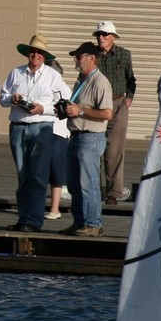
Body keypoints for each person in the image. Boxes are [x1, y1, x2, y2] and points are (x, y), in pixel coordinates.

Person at [0, 34, 70, 232]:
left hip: (42, 127)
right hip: (19, 127)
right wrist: (12, 99)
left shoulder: (53, 75)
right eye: (33, 51)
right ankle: (24, 218)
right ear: (27, 53)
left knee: (38, 175)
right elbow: (2, 98)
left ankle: (34, 221)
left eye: (39, 52)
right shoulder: (16, 73)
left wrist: (43, 109)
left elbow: (65, 101)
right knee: (23, 175)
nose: (35, 55)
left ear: (45, 56)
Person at [61, 42, 113, 237]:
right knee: (74, 184)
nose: (76, 59)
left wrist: (80, 110)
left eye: (79, 56)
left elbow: (107, 113)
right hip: (75, 136)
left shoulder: (100, 81)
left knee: (87, 183)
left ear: (91, 58)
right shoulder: (81, 79)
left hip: (90, 137)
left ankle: (93, 223)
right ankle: (80, 222)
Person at [93, 21, 136, 205]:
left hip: (118, 102)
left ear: (113, 37)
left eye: (104, 34)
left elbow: (131, 79)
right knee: (94, 147)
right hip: (96, 105)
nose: (101, 38)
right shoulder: (91, 54)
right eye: (99, 35)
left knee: (115, 150)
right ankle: (94, 188)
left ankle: (113, 192)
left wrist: (129, 98)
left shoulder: (124, 55)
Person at [45, 58, 70, 221]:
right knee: (40, 170)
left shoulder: (64, 89)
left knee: (56, 169)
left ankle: (55, 208)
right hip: (42, 130)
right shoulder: (42, 87)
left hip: (59, 133)